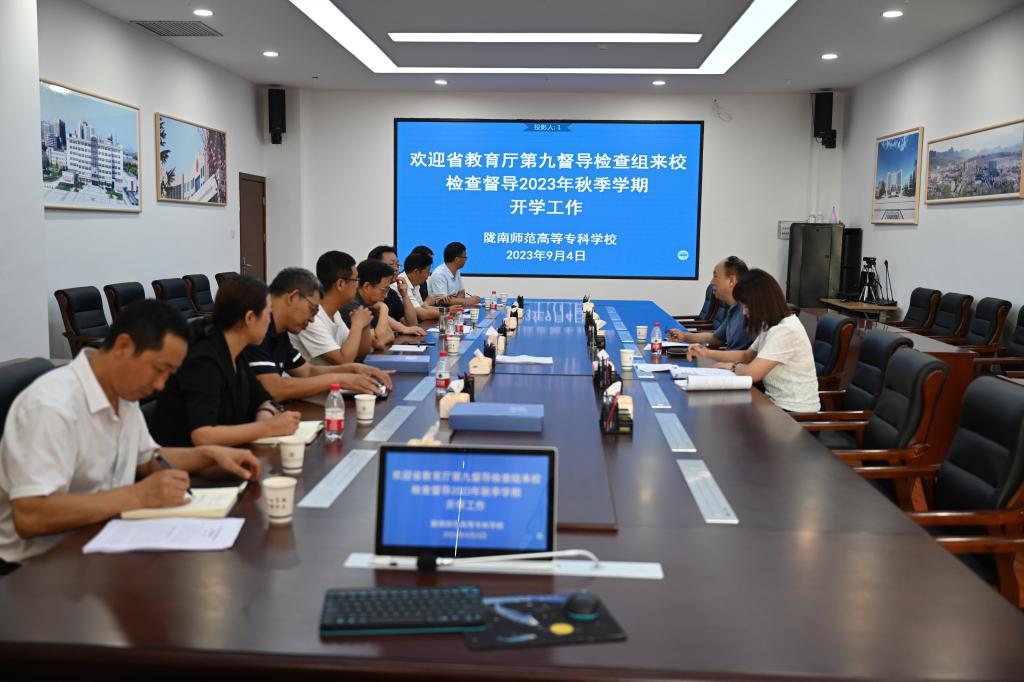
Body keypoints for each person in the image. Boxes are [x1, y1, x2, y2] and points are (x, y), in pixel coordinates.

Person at [0, 300, 262, 570]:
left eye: (169, 374)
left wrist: (208, 456)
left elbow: (147, 459)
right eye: (159, 369)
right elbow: (31, 515)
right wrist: (137, 496)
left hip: (102, 542)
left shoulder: (123, 394)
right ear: (123, 346)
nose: (160, 384)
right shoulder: (51, 407)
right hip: (38, 567)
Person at [149, 276, 302, 447]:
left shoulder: (237, 350)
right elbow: (203, 436)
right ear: (250, 318)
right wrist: (267, 428)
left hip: (226, 454)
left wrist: (265, 415)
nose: (269, 320)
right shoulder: (203, 359)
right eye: (268, 314)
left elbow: (263, 397)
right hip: (180, 460)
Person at [243, 267, 393, 402]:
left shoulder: (280, 331)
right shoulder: (256, 329)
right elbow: (274, 389)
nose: (313, 319)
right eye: (312, 309)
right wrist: (340, 379)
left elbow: (307, 371)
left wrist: (353, 369)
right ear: (293, 297)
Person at [690, 269, 820, 412]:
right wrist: (706, 353)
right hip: (774, 404)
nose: (744, 312)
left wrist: (733, 366)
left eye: (746, 306)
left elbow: (751, 373)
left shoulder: (785, 330)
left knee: (722, 413)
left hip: (794, 412)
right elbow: (747, 355)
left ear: (761, 302)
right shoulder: (770, 324)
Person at [291, 251, 373, 364]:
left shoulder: (335, 314)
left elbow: (361, 354)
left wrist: (365, 326)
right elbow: (345, 360)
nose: (357, 286)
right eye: (356, 281)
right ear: (340, 284)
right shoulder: (310, 318)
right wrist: (357, 325)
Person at [671, 256, 751, 353]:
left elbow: (746, 356)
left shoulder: (749, 311)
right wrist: (685, 336)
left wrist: (707, 354)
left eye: (715, 276)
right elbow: (716, 338)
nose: (712, 282)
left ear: (731, 281)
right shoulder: (734, 308)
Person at [367, 245, 425, 336]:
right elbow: (379, 337)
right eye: (391, 264)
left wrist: (405, 295)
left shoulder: (392, 293)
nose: (396, 268)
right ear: (375, 266)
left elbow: (412, 324)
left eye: (397, 265)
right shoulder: (369, 295)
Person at [397, 249, 450, 323]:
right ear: (416, 272)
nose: (428, 275)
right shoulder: (400, 283)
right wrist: (449, 312)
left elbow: (422, 307)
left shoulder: (415, 284)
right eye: (427, 271)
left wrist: (448, 310)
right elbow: (422, 314)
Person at [427, 241, 481, 306]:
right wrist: (468, 301)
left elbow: (462, 293)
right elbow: (443, 301)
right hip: (439, 311)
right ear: (456, 259)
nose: (466, 260)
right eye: (465, 257)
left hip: (453, 309)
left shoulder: (456, 270)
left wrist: (454, 301)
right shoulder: (439, 274)